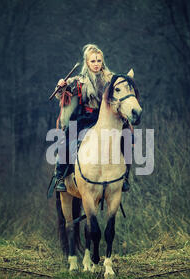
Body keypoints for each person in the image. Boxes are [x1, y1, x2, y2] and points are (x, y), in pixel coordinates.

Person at [52, 44, 131, 192]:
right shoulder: (78, 80)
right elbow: (60, 95)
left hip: (107, 118)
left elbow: (122, 91)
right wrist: (61, 86)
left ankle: (125, 176)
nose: (96, 64)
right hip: (85, 117)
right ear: (87, 62)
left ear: (102, 62)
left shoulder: (111, 79)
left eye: (99, 61)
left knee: (127, 137)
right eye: (93, 61)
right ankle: (60, 177)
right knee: (68, 140)